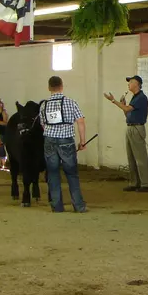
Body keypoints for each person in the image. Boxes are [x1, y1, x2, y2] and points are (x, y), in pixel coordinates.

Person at [40, 76, 88, 213]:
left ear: (49, 88)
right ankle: (78, 206)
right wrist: (82, 141)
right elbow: (80, 122)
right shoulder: (71, 102)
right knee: (72, 173)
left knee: (53, 173)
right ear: (62, 86)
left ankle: (57, 206)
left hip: (49, 140)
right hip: (66, 140)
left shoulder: (44, 105)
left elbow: (43, 124)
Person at [105, 75, 148, 193]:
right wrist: (123, 105)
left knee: (140, 158)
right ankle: (134, 183)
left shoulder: (141, 97)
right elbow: (128, 114)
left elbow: (127, 110)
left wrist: (113, 100)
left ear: (137, 84)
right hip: (131, 127)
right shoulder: (135, 98)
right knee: (131, 158)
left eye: (130, 82)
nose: (128, 84)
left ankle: (146, 184)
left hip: (137, 128)